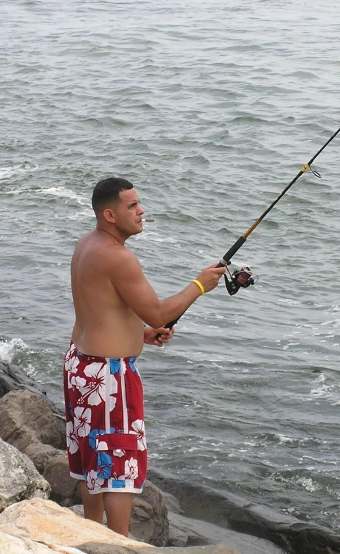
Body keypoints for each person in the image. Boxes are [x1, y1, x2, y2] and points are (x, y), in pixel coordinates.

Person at [63, 177, 225, 536]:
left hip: (80, 365)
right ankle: (118, 542)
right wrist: (200, 285)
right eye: (132, 206)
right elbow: (157, 312)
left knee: (94, 455)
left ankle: (91, 533)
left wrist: (139, 335)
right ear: (110, 214)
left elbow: (100, 309)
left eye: (139, 203)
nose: (141, 211)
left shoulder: (86, 244)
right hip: (108, 376)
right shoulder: (119, 257)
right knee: (119, 464)